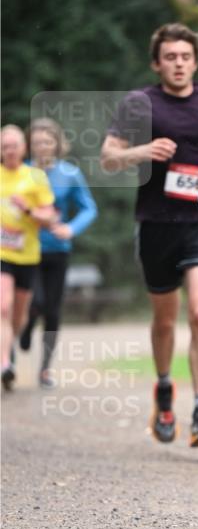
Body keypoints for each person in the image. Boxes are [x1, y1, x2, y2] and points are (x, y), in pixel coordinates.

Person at [100, 23, 198, 447]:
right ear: (157, 63)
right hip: (155, 222)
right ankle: (163, 387)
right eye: (170, 57)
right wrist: (144, 151)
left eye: (185, 57)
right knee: (165, 318)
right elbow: (108, 159)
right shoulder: (140, 103)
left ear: (195, 61)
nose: (178, 64)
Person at [19, 118, 97, 387]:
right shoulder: (20, 172)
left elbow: (89, 208)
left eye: (48, 142)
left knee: (52, 311)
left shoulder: (70, 173)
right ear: (29, 145)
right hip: (25, 250)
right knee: (35, 303)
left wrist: (71, 229)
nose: (42, 147)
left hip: (57, 250)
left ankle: (44, 370)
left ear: (57, 144)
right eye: (37, 142)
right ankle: (26, 328)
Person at [1, 125, 55, 390]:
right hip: (2, 254)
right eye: (4, 146)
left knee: (18, 316)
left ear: (23, 148)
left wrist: (30, 210)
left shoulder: (35, 177)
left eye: (14, 145)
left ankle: (7, 351)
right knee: (3, 305)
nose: (9, 151)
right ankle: (4, 364)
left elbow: (50, 217)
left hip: (27, 254)